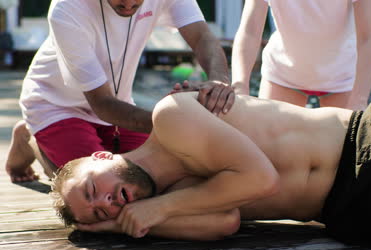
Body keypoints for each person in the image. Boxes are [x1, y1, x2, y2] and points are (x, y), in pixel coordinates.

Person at [51, 92, 371, 244]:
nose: (107, 203)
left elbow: (259, 178)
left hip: (370, 133)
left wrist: (155, 210)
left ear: (101, 157)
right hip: (350, 201)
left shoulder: (171, 116)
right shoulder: (169, 204)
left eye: (93, 191)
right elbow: (225, 223)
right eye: (100, 213)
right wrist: (125, 222)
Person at [5, 0, 234, 183]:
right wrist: (173, 121)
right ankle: (32, 136)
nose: (128, 3)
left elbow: (202, 37)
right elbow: (102, 103)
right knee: (94, 184)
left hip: (117, 105)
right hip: (57, 104)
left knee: (163, 176)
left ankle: (44, 136)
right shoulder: (67, 7)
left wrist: (218, 81)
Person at [231, 0, 371, 109]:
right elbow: (249, 32)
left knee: (341, 149)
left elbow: (368, 38)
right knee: (268, 148)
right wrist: (240, 85)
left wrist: (359, 99)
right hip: (282, 75)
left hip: (343, 79)